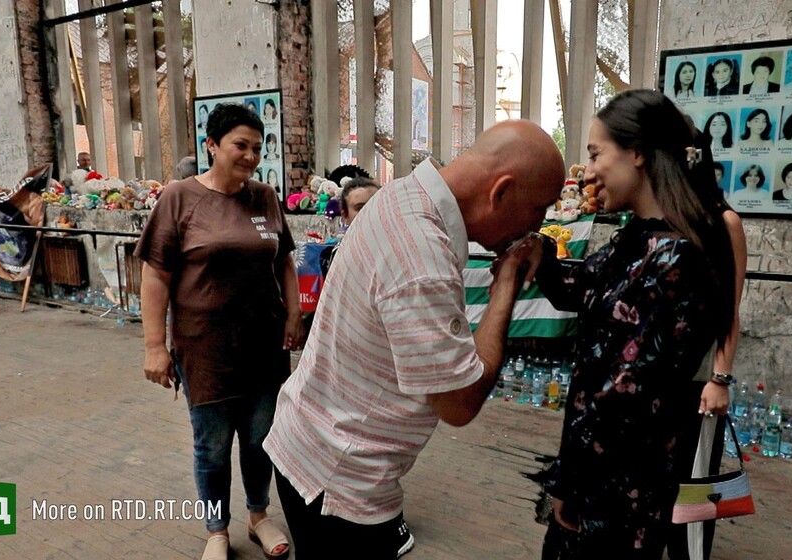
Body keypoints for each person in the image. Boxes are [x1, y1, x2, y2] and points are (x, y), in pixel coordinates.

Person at [263, 120, 565, 560]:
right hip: (338, 483)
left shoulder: (404, 195)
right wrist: (507, 282)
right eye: (539, 210)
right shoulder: (421, 255)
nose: (537, 226)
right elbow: (459, 402)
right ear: (500, 192)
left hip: (310, 448)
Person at [506, 89, 734, 558]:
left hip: (622, 485)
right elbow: (586, 287)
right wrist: (541, 256)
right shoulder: (636, 237)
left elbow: (622, 391)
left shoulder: (679, 257)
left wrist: (568, 481)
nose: (587, 171)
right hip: (602, 475)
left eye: (595, 154)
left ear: (637, 153)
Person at [135, 103, 302, 560]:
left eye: (256, 146)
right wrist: (154, 346)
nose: (250, 155)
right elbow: (155, 276)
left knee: (259, 438)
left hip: (264, 346)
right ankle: (215, 529)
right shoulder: (180, 197)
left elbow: (284, 259)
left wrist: (293, 314)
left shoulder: (265, 197)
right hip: (204, 347)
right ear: (212, 145)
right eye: (239, 145)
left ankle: (259, 516)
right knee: (210, 444)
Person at [667, 126, 748, 560]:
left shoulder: (724, 222)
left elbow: (729, 311)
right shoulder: (659, 220)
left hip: (700, 384)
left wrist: (720, 377)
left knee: (694, 494)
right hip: (654, 381)